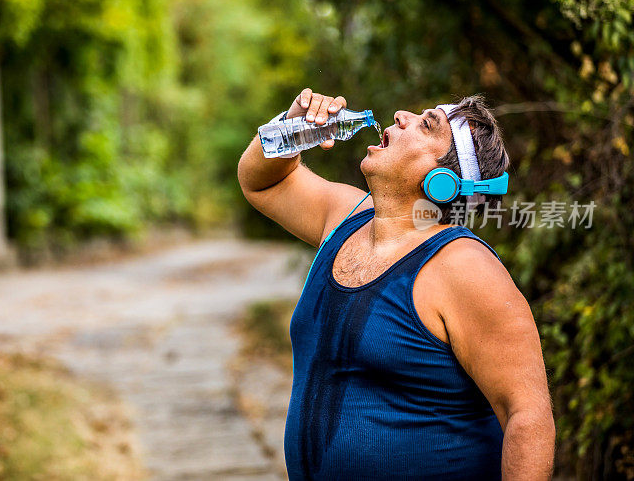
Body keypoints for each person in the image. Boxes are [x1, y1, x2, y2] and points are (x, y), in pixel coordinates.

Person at [237, 88, 555, 480]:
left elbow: (527, 416)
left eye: (426, 125)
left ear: (443, 180)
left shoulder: (464, 268)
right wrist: (292, 128)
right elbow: (262, 184)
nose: (401, 115)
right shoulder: (345, 217)